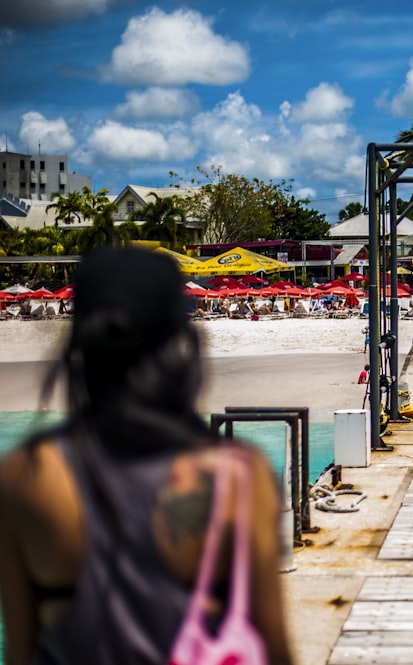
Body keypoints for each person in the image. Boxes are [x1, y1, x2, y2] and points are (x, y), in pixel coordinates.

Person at [0, 247, 293, 665]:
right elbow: (275, 649)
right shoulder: (239, 477)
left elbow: (20, 652)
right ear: (183, 343)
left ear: (80, 344)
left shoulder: (23, 478)